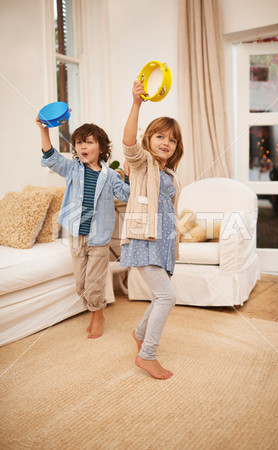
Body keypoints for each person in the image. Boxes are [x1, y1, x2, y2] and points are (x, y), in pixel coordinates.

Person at [36, 117, 130, 339]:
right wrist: (44, 131)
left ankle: (98, 315)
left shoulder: (110, 176)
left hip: (99, 237)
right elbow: (51, 157)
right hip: (76, 234)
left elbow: (127, 195)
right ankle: (96, 310)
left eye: (88, 142)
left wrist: (130, 175)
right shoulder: (72, 169)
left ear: (102, 148)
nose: (83, 147)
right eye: (79, 143)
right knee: (80, 284)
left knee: (93, 282)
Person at [120, 80, 184, 379]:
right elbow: (130, 144)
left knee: (162, 294)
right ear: (149, 140)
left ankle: (140, 332)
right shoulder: (142, 162)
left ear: (175, 148)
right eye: (160, 136)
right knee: (166, 297)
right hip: (144, 240)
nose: (166, 143)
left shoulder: (169, 172)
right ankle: (147, 355)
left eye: (171, 140)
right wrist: (136, 104)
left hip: (165, 243)